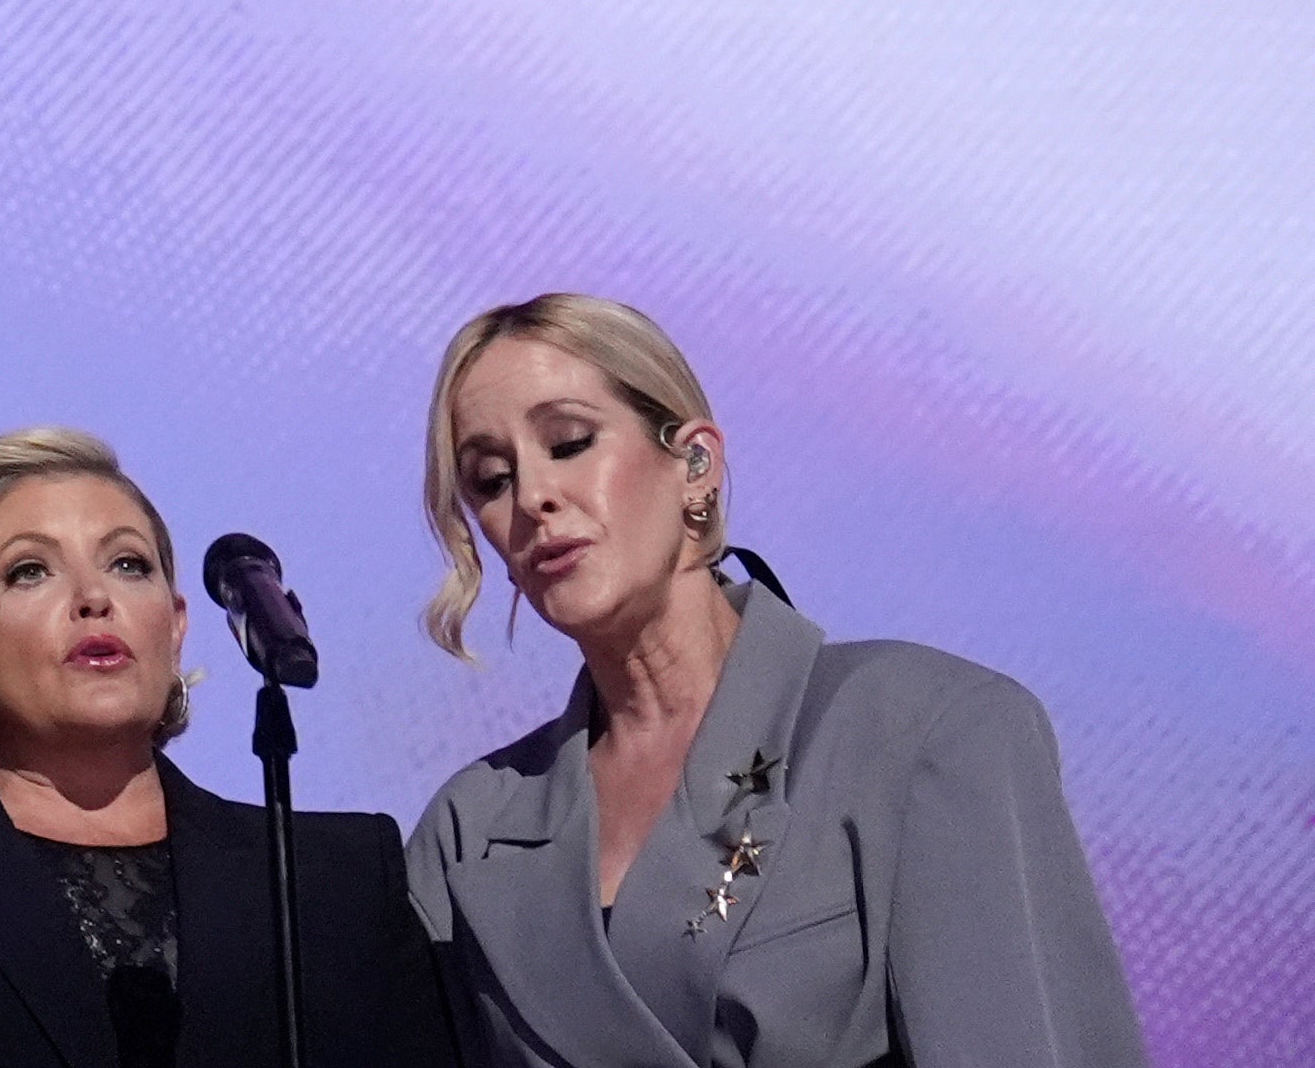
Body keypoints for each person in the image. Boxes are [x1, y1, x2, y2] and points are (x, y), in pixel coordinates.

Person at [401, 292, 1146, 1068]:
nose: (533, 498)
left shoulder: (926, 729)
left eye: (570, 442)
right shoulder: (471, 832)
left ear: (696, 463)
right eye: (490, 479)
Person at [0, 427, 449, 1067]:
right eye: (30, 570)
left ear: (177, 623)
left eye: (128, 564)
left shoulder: (338, 879)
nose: (94, 598)